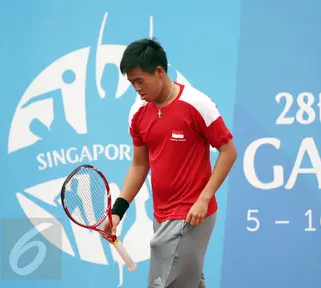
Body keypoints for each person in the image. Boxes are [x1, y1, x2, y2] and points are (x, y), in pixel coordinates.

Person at [102, 38, 237, 288]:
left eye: (140, 81)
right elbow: (139, 165)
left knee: (163, 284)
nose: (136, 88)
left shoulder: (197, 104)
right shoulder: (138, 112)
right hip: (161, 215)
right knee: (189, 282)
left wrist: (204, 198)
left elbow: (228, 151)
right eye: (132, 83)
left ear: (160, 72)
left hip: (192, 214)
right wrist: (118, 211)